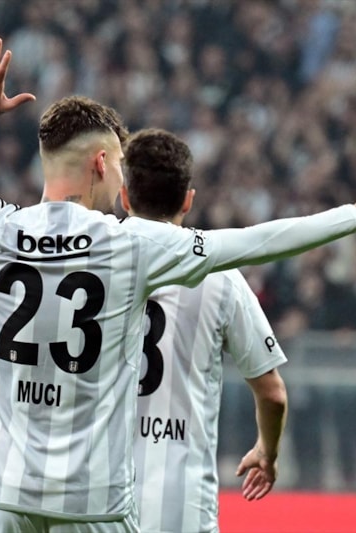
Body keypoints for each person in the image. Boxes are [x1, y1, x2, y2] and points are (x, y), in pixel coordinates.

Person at [0, 36, 356, 531]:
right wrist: (352, 216)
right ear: (100, 163)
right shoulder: (129, 246)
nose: (121, 179)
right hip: (90, 502)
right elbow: (253, 241)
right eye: (118, 164)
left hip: (3, 494)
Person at [122, 128, 287, 533]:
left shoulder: (90, 262)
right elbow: (272, 393)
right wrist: (267, 452)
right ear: (188, 200)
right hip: (182, 506)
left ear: (124, 197)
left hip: (94, 496)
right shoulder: (221, 277)